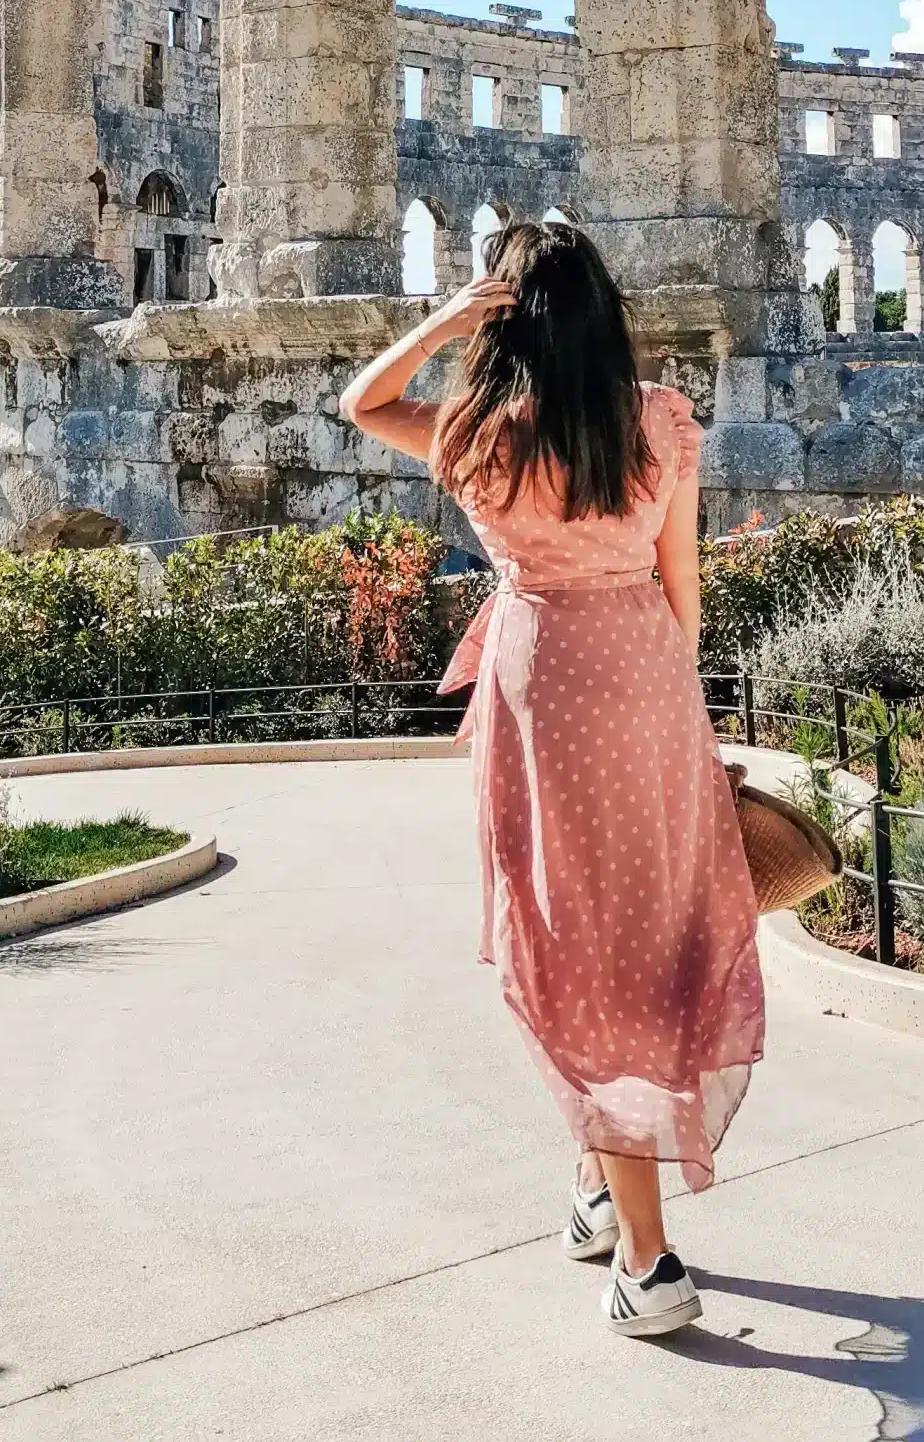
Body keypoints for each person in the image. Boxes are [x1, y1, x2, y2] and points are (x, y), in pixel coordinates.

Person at [339, 218, 763, 1339]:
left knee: (578, 945)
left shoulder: (480, 436)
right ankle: (597, 1186)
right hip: (646, 671)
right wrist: (686, 716)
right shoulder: (661, 423)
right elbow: (685, 581)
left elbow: (362, 403)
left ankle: (650, 1258)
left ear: (507, 320)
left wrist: (440, 319)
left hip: (544, 690)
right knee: (639, 934)